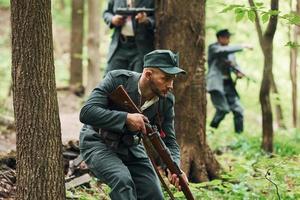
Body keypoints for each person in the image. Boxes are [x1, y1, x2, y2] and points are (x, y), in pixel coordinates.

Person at [79, 49, 188, 200]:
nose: (171, 85)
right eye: (166, 78)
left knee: (154, 193)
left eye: (173, 79)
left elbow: (169, 140)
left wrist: (174, 167)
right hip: (98, 141)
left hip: (131, 147)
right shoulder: (117, 79)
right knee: (122, 180)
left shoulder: (166, 101)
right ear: (148, 74)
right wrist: (126, 118)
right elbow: (86, 112)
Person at [206, 29, 252, 133]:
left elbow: (234, 65)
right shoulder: (213, 48)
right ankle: (210, 131)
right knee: (223, 109)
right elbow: (223, 51)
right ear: (219, 38)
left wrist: (239, 72)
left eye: (228, 38)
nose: (228, 40)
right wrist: (243, 46)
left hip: (228, 85)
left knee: (239, 110)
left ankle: (239, 136)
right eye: (226, 37)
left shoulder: (231, 53)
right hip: (216, 84)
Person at [103, 0, 155, 74]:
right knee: (110, 78)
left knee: (137, 81)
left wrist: (147, 20)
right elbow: (107, 13)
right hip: (119, 45)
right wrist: (112, 19)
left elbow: (158, 17)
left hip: (141, 47)